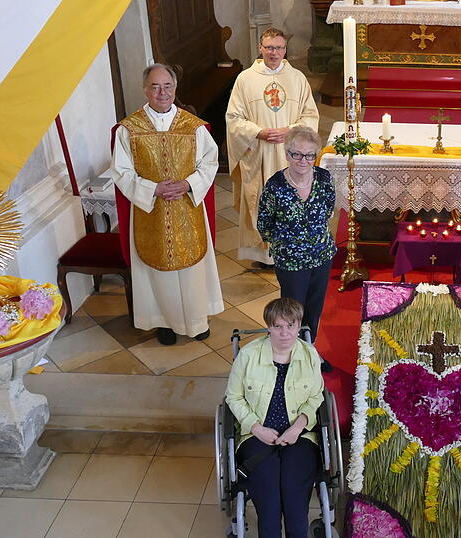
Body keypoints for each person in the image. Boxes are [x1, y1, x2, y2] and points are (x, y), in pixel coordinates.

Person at [110, 63, 224, 346]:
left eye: (167, 86)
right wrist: (152, 189)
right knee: (156, 269)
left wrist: (188, 185)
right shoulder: (129, 129)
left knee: (192, 269)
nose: (162, 92)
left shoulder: (193, 126)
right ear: (145, 89)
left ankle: (197, 320)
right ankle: (163, 322)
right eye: (155, 86)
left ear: (175, 89)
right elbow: (121, 172)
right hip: (151, 211)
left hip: (188, 207)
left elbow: (210, 162)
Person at [225, 297, 325, 538]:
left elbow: (316, 398)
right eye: (278, 326)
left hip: (299, 436)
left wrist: (298, 427)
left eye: (291, 325)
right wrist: (257, 428)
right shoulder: (248, 356)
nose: (285, 333)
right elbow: (233, 397)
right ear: (268, 326)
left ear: (299, 325)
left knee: (294, 497)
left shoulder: (309, 355)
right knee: (268, 500)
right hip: (256, 435)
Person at [226, 27, 320, 267]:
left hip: (290, 153)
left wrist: (290, 130)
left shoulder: (297, 78)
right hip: (258, 151)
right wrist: (258, 132)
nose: (274, 52)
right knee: (260, 200)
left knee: (292, 199)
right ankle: (263, 256)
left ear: (285, 49)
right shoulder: (245, 79)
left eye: (278, 47)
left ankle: (290, 249)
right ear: (260, 48)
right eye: (269, 47)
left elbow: (310, 115)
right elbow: (233, 118)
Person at [257, 125, 336, 346]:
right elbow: (264, 223)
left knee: (314, 308)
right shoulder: (275, 186)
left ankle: (309, 350)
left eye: (310, 155)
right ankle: (291, 353)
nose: (303, 160)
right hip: (290, 261)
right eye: (297, 154)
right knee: (292, 312)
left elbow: (329, 210)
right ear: (287, 154)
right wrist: (286, 243)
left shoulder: (324, 178)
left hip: (321, 255)